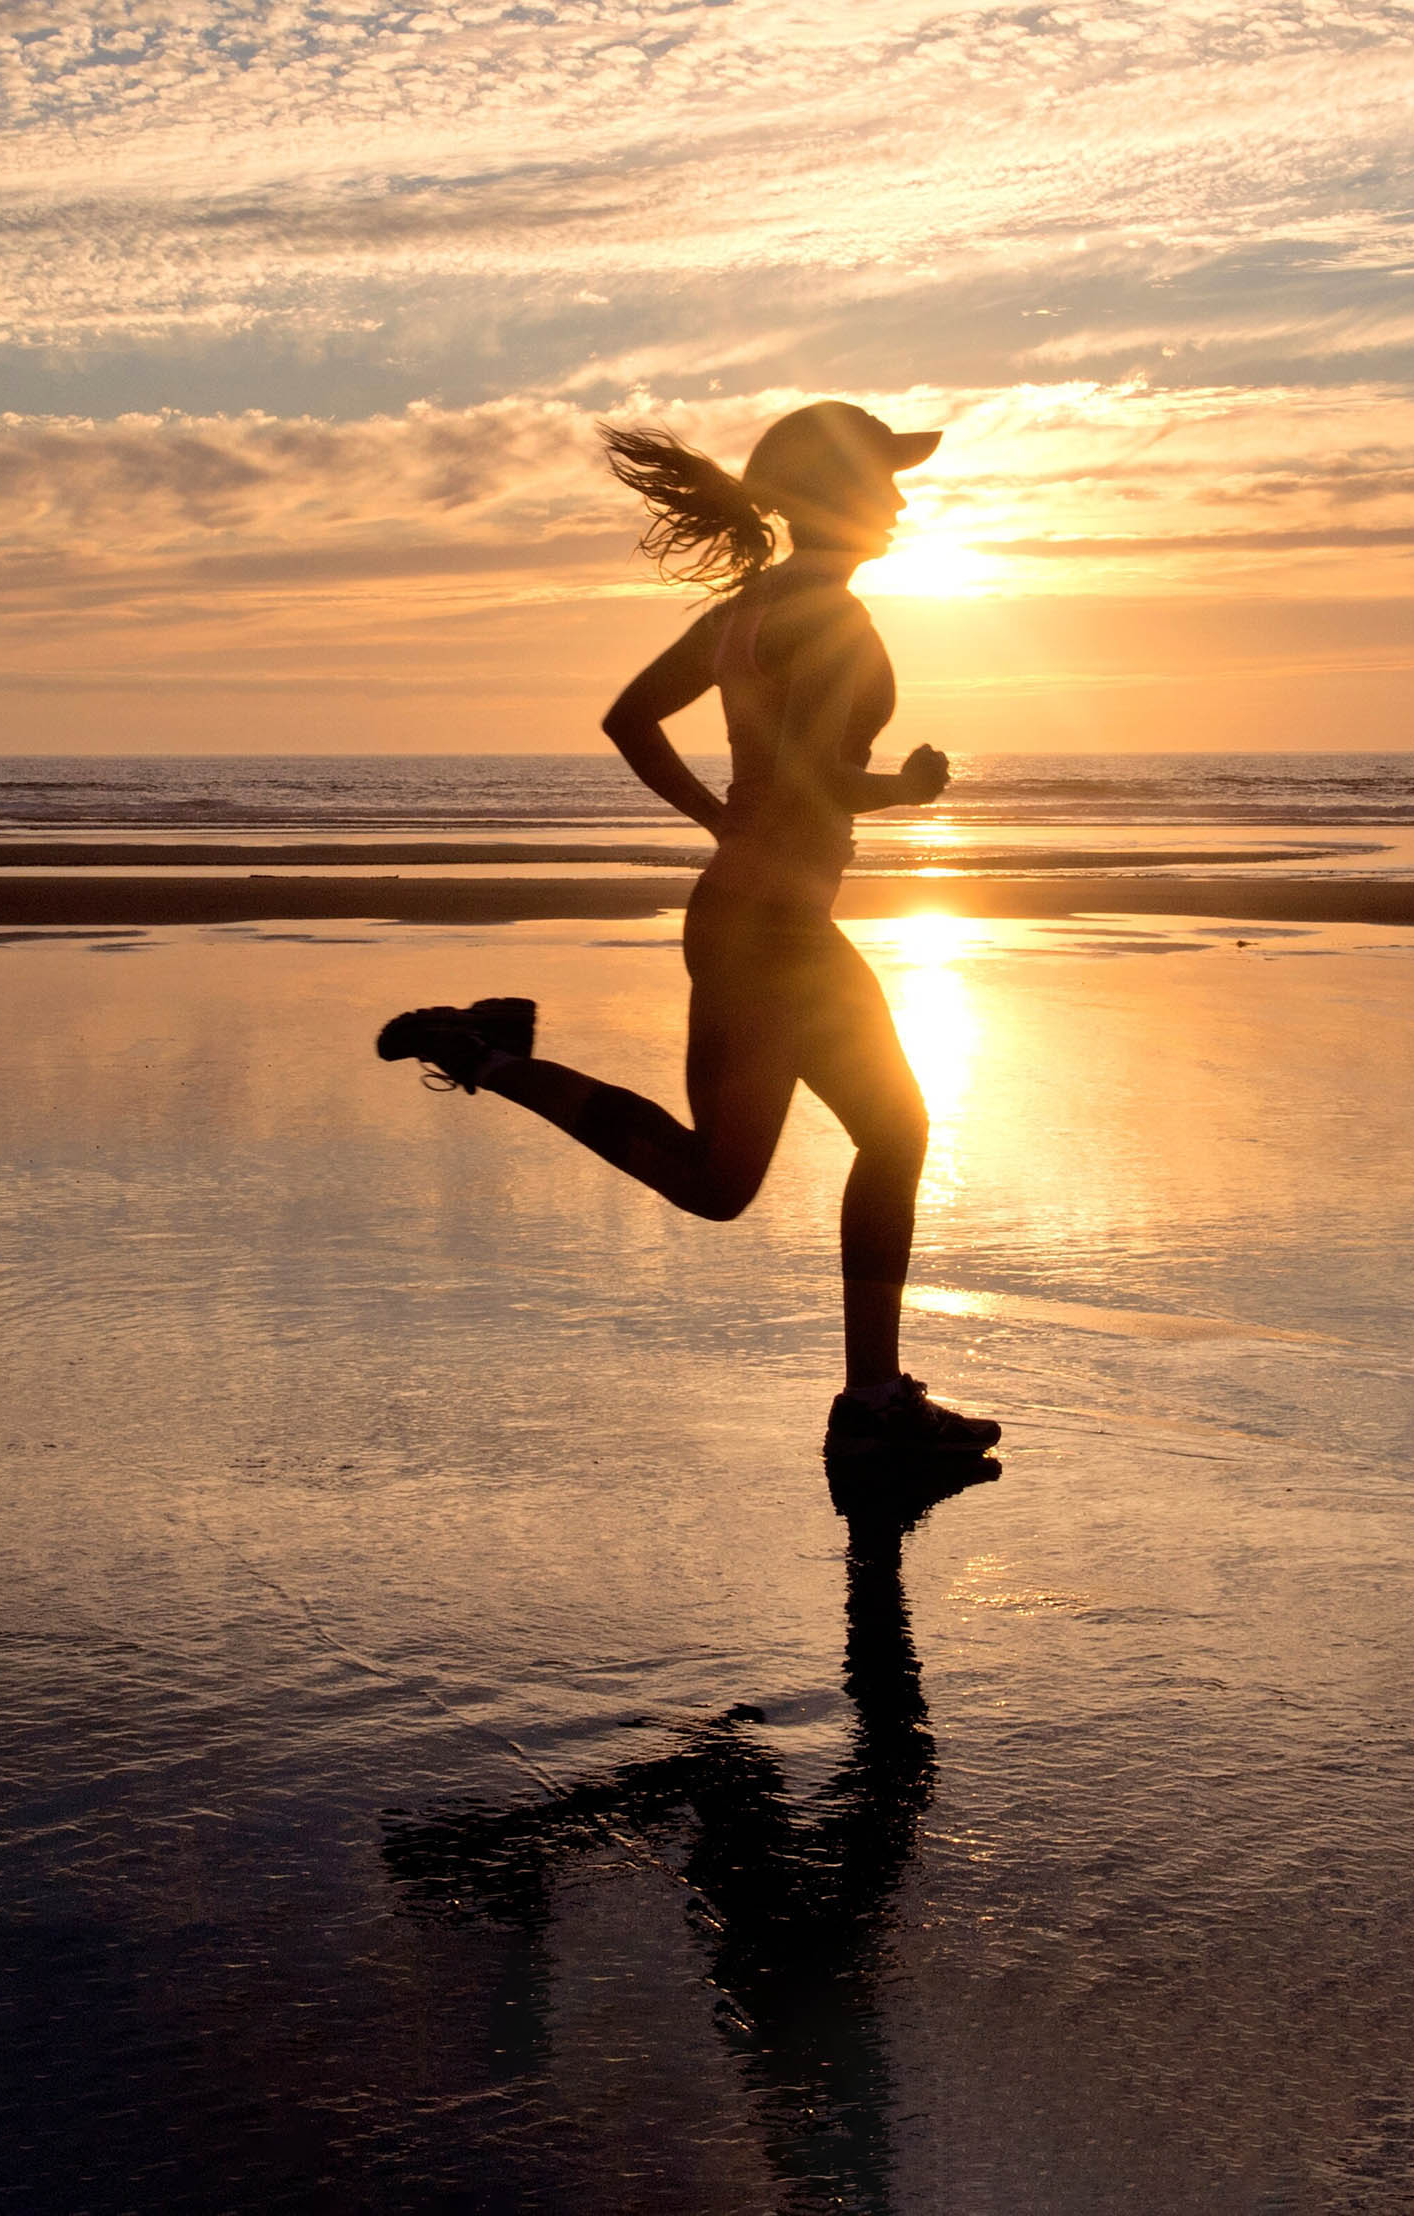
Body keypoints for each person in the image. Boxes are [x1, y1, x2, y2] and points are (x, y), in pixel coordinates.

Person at [377, 400, 999, 1465]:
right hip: (780, 931)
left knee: (718, 1181)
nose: (899, 499)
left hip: (734, 915)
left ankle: (485, 1051)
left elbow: (630, 718)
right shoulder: (837, 620)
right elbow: (812, 773)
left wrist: (720, 816)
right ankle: (873, 1403)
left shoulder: (745, 613)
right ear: (834, 494)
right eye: (883, 478)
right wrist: (900, 786)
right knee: (894, 1132)